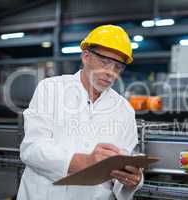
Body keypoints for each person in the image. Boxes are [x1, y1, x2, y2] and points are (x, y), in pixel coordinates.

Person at [17, 25, 143, 200]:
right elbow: (32, 149)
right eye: (105, 62)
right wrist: (85, 162)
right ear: (86, 56)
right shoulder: (51, 89)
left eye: (118, 67)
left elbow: (127, 160)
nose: (110, 73)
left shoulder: (124, 110)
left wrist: (134, 180)